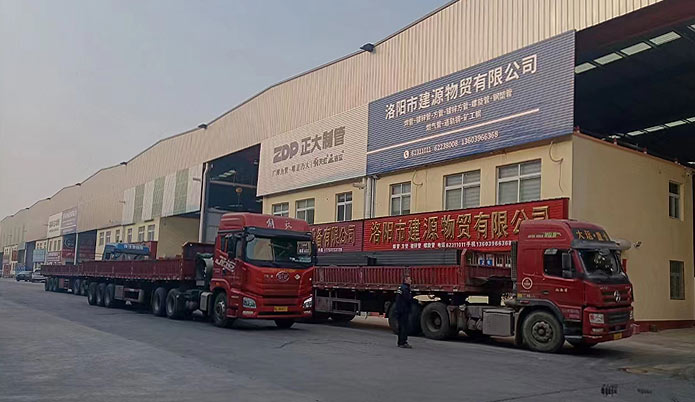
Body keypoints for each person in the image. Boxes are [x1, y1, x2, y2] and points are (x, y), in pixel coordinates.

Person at [394, 274, 414, 348]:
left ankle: (400, 342)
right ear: (405, 280)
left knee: (400, 326)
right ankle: (403, 342)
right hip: (404, 310)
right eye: (409, 279)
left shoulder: (401, 288)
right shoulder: (405, 288)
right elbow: (408, 299)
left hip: (399, 310)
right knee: (404, 327)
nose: (411, 281)